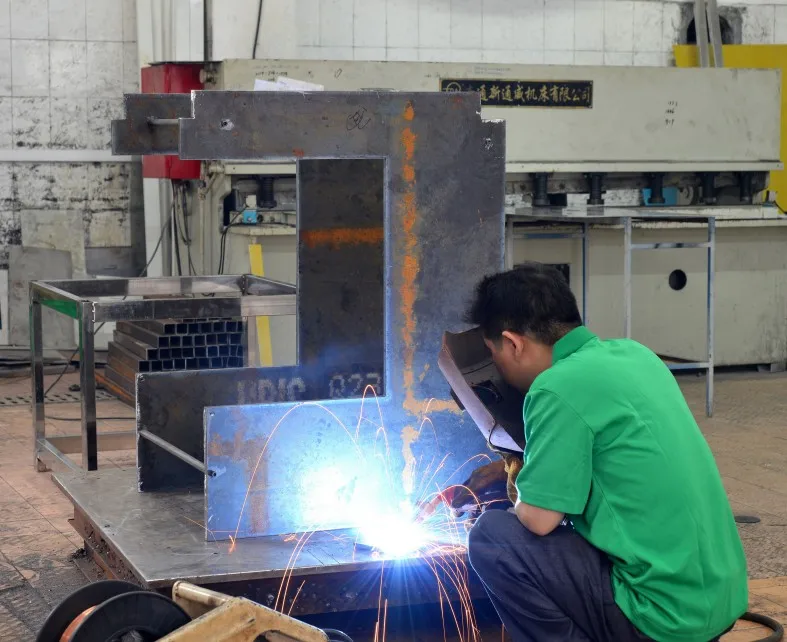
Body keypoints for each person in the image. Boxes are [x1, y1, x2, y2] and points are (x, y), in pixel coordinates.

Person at [463, 262, 747, 642]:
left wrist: (516, 490)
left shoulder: (555, 387)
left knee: (493, 537)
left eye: (492, 352)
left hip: (661, 617)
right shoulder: (635, 355)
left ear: (513, 343)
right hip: (718, 598)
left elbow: (538, 520)